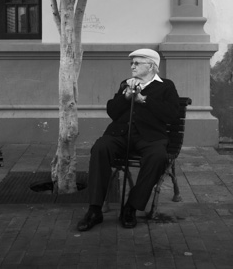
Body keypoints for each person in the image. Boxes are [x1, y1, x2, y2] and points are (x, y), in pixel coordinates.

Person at [77, 48, 180, 231]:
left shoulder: (166, 86)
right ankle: (94, 209)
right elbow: (113, 112)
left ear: (151, 66)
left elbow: (171, 114)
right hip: (121, 135)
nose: (132, 66)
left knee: (157, 157)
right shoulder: (126, 83)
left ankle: (131, 207)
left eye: (137, 63)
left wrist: (144, 99)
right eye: (131, 63)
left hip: (150, 137)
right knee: (100, 147)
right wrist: (126, 96)